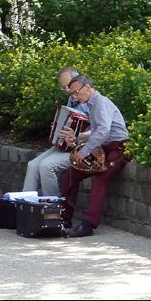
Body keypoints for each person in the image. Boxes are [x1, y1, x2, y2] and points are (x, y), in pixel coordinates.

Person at [60, 74, 129, 238]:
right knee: (72, 173)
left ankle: (88, 225)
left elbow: (104, 131)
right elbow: (98, 131)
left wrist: (84, 151)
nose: (75, 97)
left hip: (119, 148)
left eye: (76, 93)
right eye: (72, 95)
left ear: (87, 87)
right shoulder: (92, 104)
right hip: (105, 147)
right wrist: (77, 139)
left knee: (101, 176)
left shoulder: (100, 102)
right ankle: (63, 218)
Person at [22, 67, 90, 196]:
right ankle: (24, 205)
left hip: (81, 148)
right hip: (66, 145)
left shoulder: (91, 101)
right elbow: (69, 120)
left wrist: (77, 136)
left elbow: (98, 130)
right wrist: (58, 126)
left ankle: (52, 208)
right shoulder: (72, 99)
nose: (67, 91)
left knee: (46, 166)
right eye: (63, 87)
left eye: (69, 86)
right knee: (33, 165)